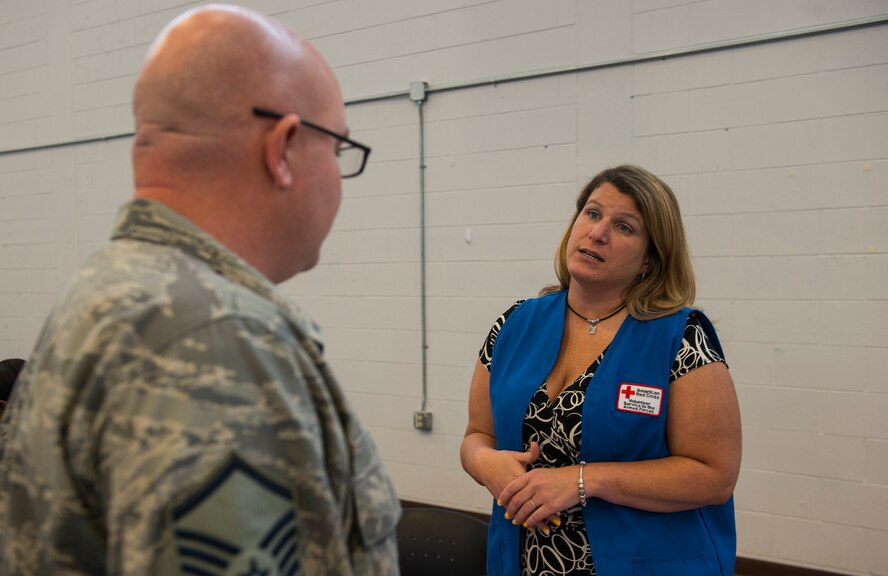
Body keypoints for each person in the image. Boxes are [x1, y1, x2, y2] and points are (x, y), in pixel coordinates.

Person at [0, 5, 398, 575]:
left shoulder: (111, 290)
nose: (339, 175)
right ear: (282, 148)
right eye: (336, 148)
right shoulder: (218, 337)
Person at [460, 165, 741, 576]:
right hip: (526, 562)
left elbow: (715, 477)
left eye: (624, 227)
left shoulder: (681, 336)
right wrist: (485, 464)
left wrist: (583, 481)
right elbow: (476, 435)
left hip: (644, 562)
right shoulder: (514, 323)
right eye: (592, 214)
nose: (598, 233)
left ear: (650, 258)